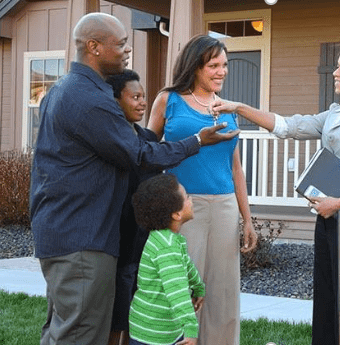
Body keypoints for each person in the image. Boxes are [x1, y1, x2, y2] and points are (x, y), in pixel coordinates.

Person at [29, 13, 238, 345]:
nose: (127, 50)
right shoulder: (89, 100)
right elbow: (138, 155)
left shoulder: (65, 90)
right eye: (121, 43)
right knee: (80, 333)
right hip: (81, 236)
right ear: (94, 47)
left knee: (65, 328)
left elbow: (137, 144)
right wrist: (196, 141)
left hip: (65, 230)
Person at [212, 38, 340, 345]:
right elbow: (290, 127)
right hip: (327, 219)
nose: (335, 73)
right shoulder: (336, 112)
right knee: (326, 299)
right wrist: (238, 107)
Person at [146, 34, 257, 345]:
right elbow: (146, 152)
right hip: (182, 207)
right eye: (213, 65)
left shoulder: (228, 108)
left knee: (223, 288)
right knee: (183, 283)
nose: (221, 71)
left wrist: (247, 219)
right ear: (195, 66)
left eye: (224, 65)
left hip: (224, 206)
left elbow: (235, 169)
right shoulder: (168, 100)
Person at [105, 69, 159, 345]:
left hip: (144, 242)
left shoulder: (148, 139)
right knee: (117, 319)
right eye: (135, 97)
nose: (142, 102)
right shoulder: (107, 140)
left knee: (137, 319)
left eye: (144, 97)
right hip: (118, 242)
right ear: (116, 101)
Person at [129, 174, 204, 345]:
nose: (191, 200)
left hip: (162, 327)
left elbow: (187, 268)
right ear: (177, 214)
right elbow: (176, 290)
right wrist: (191, 328)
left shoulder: (168, 239)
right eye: (187, 197)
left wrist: (198, 287)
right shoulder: (167, 247)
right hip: (153, 334)